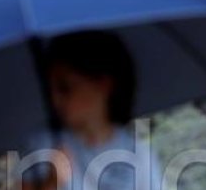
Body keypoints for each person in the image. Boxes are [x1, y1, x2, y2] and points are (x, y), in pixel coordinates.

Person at [22, 32, 160, 190]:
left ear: (103, 84)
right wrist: (51, 183)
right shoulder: (42, 146)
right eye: (50, 90)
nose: (55, 99)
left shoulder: (138, 154)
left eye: (65, 88)